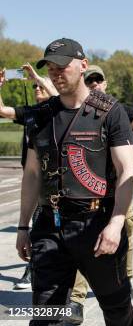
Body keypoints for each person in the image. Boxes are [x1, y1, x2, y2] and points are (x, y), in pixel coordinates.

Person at [15, 38, 133, 325]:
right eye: (51, 69)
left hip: (96, 224)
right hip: (50, 226)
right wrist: (23, 226)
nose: (57, 74)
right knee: (47, 315)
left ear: (82, 65)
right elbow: (32, 174)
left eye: (63, 67)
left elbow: (126, 172)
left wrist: (116, 225)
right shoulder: (42, 116)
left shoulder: (110, 111)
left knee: (117, 308)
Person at [59, 64, 133, 325]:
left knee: (125, 232)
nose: (95, 84)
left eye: (99, 80)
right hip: (82, 195)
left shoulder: (114, 109)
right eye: (90, 80)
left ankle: (124, 282)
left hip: (116, 190)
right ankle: (76, 298)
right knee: (77, 244)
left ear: (106, 83)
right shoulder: (73, 110)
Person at [0, 65, 58, 291]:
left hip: (59, 182)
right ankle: (32, 271)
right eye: (33, 85)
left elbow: (61, 99)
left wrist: (40, 78)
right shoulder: (33, 113)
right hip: (35, 179)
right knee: (37, 226)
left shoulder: (60, 110)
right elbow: (2, 111)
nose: (36, 88)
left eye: (40, 85)